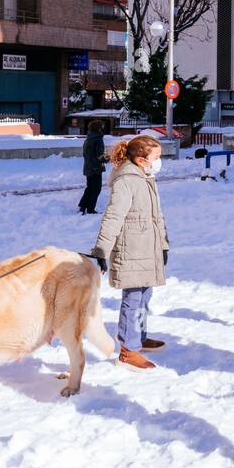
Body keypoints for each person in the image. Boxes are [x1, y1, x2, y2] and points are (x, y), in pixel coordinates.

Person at [92, 135, 169, 371]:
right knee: (134, 300)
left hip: (147, 248)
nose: (159, 161)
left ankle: (139, 338)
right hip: (132, 250)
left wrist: (163, 245)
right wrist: (101, 250)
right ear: (141, 159)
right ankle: (128, 352)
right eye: (156, 158)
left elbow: (156, 217)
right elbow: (113, 217)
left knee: (145, 297)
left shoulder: (145, 178)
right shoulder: (126, 181)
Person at [77, 120, 106, 215]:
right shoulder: (97, 139)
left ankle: (83, 206)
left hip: (88, 167)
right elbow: (99, 156)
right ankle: (90, 209)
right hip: (95, 168)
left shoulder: (89, 138)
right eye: (101, 126)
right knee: (96, 189)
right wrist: (108, 158)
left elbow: (88, 155)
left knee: (90, 188)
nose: (102, 128)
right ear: (97, 128)